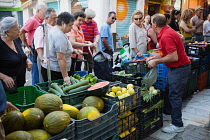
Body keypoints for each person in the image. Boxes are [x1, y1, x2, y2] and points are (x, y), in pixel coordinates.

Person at [147, 14, 191, 133]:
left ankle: (177, 124)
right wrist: (154, 57)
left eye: (151, 22)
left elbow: (173, 56)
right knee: (167, 90)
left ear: (155, 24)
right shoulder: (165, 32)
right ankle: (168, 113)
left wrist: (156, 61)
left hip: (180, 68)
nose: (150, 25)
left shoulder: (166, 35)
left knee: (174, 96)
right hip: (176, 68)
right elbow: (165, 52)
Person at [41, 12, 81, 83]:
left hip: (51, 69)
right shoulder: (59, 36)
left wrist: (73, 50)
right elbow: (61, 58)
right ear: (63, 23)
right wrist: (65, 76)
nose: (72, 28)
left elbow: (60, 47)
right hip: (56, 72)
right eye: (70, 25)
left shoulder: (56, 30)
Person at [0, 17, 32, 89]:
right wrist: (4, 77)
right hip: (5, 87)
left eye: (19, 27)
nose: (19, 31)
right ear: (7, 32)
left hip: (20, 83)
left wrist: (26, 60)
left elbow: (19, 54)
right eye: (16, 29)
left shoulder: (16, 39)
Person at [19, 4, 47, 85]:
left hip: (40, 50)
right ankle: (35, 92)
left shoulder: (41, 21)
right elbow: (21, 32)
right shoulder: (33, 20)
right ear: (39, 11)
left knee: (40, 73)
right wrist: (27, 46)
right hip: (34, 50)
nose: (45, 14)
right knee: (36, 75)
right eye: (44, 12)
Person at [34, 8, 57, 83]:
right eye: (54, 18)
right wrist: (42, 59)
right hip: (44, 59)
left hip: (52, 60)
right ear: (47, 18)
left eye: (56, 18)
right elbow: (38, 46)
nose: (56, 20)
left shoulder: (55, 28)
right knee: (44, 80)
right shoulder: (41, 28)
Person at [81, 8, 100, 73]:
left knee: (89, 65)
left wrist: (95, 42)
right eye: (88, 18)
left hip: (89, 48)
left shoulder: (94, 23)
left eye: (91, 18)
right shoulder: (80, 22)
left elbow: (97, 34)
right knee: (78, 64)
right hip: (80, 47)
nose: (90, 20)